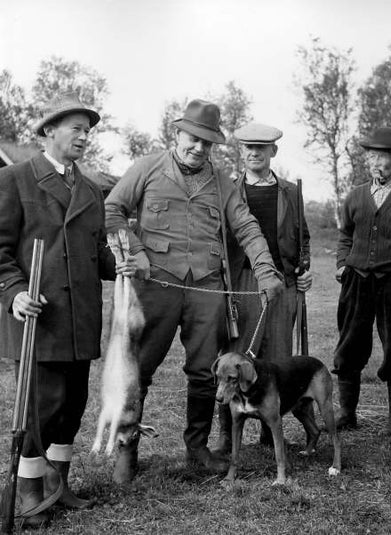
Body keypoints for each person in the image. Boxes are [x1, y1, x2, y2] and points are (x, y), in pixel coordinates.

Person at [105, 100, 283, 483]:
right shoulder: (147, 168)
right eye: (193, 139)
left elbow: (247, 227)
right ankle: (126, 449)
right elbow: (112, 210)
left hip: (207, 289)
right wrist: (135, 251)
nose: (199, 148)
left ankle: (198, 448)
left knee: (206, 372)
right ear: (177, 134)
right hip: (155, 286)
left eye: (207, 142)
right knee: (139, 370)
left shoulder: (221, 181)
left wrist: (266, 270)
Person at [0, 92, 136, 528]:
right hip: (39, 318)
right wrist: (15, 292)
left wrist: (122, 266)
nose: (83, 137)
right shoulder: (16, 179)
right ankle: (28, 492)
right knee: (40, 409)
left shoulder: (92, 188)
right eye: (75, 128)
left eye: (87, 130)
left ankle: (58, 485)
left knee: (72, 405)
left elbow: (96, 250)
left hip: (80, 320)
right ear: (48, 131)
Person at [214, 122, 312, 453]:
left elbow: (303, 238)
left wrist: (304, 272)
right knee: (237, 353)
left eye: (261, 148)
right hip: (242, 282)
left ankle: (271, 433)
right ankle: (228, 433)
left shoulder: (290, 192)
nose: (254, 153)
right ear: (241, 152)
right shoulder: (227, 190)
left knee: (279, 354)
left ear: (273, 151)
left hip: (283, 283)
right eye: (248, 148)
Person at [333, 127, 391, 435]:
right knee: (350, 343)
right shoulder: (355, 196)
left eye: (383, 157)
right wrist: (343, 263)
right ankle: (347, 413)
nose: (377, 163)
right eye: (372, 156)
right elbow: (345, 234)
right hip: (356, 280)